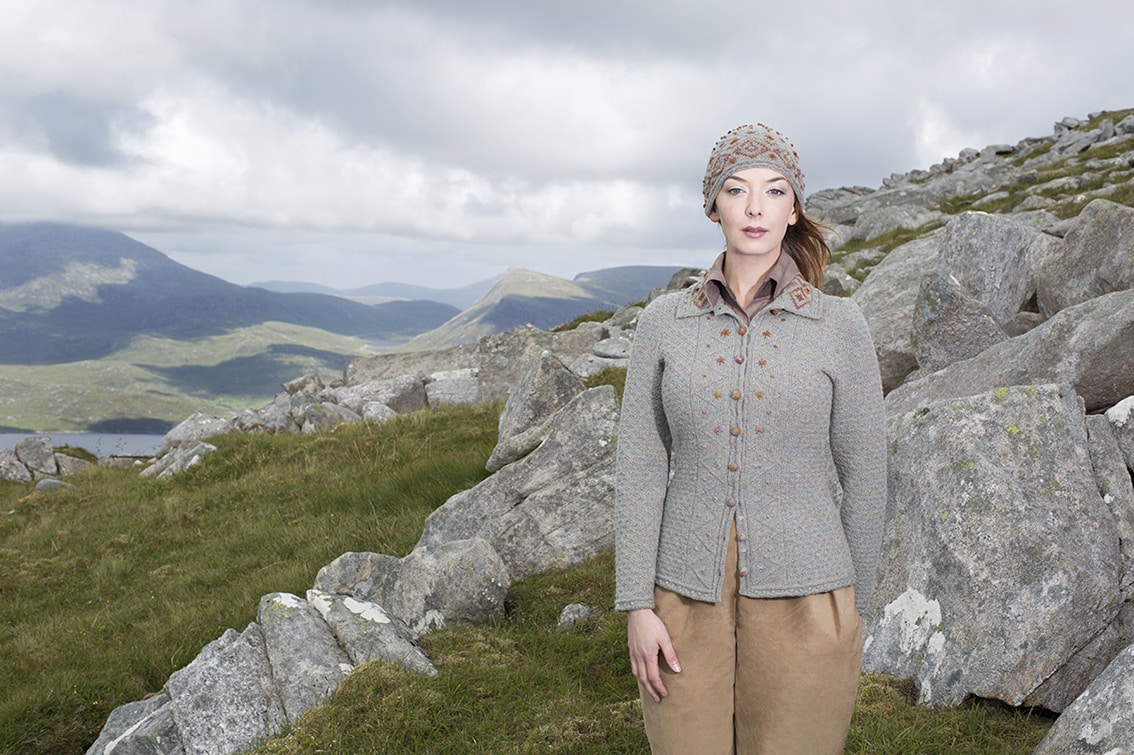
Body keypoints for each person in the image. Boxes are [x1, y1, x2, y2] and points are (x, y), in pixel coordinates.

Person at [614, 123, 887, 754]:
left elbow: (868, 472)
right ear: (714, 206)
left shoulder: (839, 326)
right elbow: (640, 467)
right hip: (680, 601)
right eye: (736, 190)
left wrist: (855, 610)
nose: (755, 207)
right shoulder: (664, 324)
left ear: (794, 209)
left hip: (811, 600)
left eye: (774, 190)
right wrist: (637, 603)